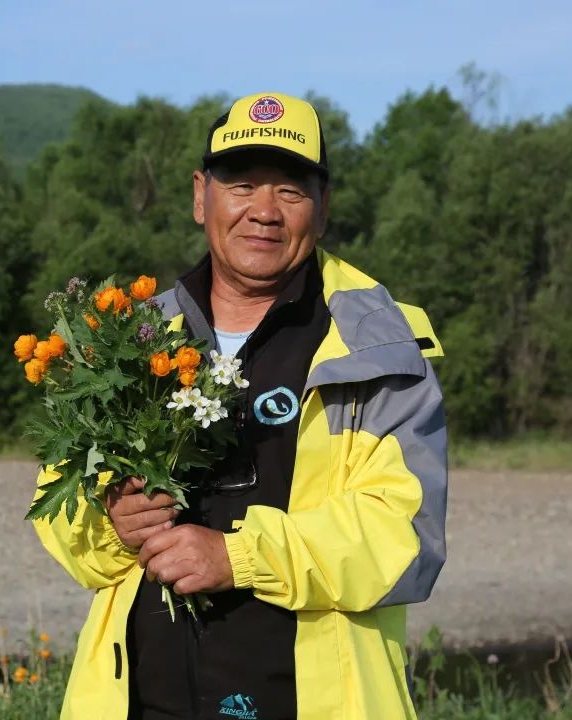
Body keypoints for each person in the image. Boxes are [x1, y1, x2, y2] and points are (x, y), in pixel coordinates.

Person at [33, 92, 447, 720]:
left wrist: (238, 557)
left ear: (324, 207)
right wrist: (112, 522)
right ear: (201, 195)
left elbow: (404, 540)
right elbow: (59, 514)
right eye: (243, 183)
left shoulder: (375, 347)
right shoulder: (132, 338)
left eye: (290, 191)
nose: (264, 212)